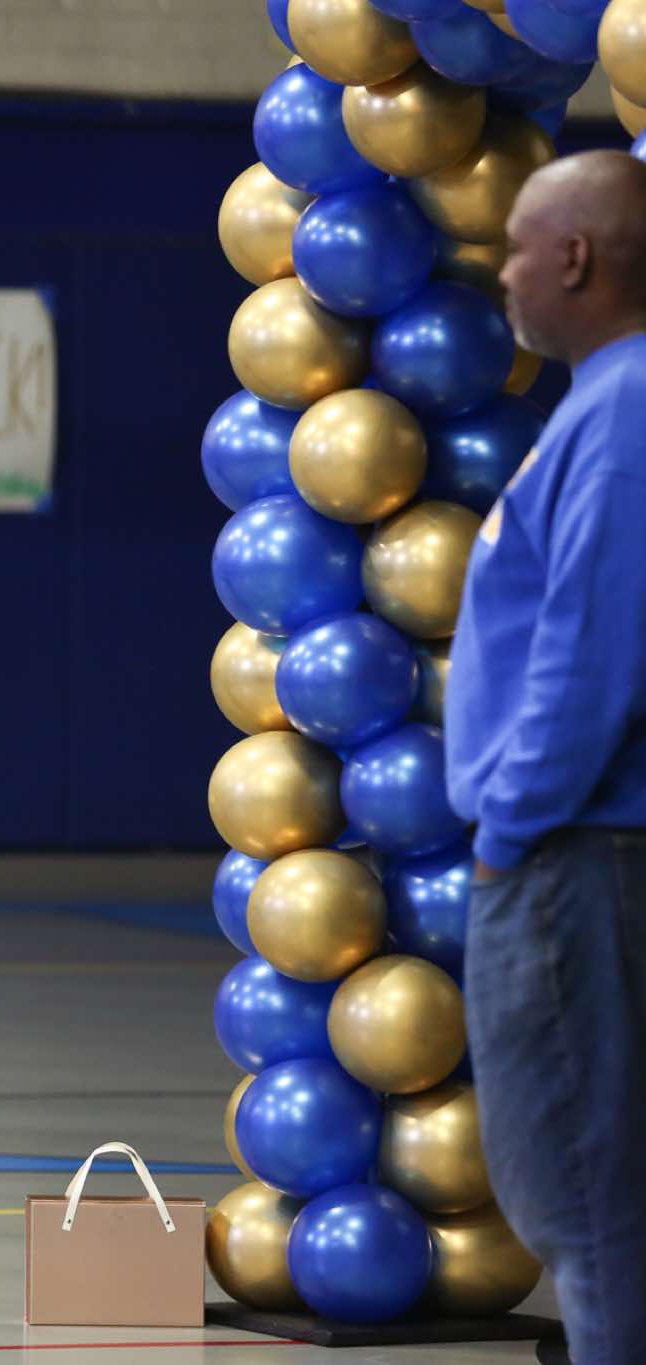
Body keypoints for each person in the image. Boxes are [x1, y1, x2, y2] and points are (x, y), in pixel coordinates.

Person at [447, 150, 646, 1365]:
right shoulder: (604, 400)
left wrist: (509, 832)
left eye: (514, 248)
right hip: (580, 849)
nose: (503, 274)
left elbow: (587, 658)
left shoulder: (623, 411)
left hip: (575, 855)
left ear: (572, 257)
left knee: (580, 1198)